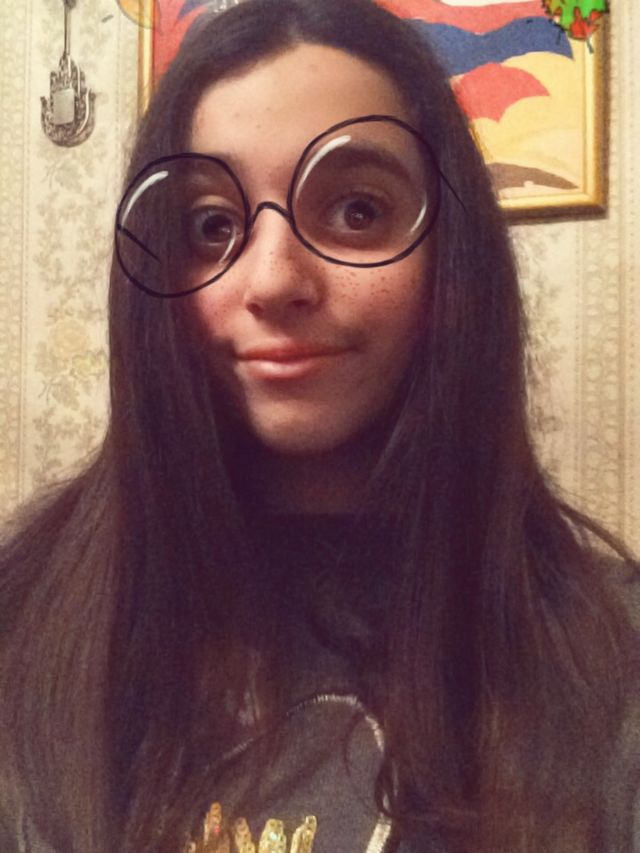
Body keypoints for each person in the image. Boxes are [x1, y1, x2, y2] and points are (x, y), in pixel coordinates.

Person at [0, 1, 638, 851]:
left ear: (453, 259)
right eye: (212, 225)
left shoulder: (610, 661)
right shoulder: (23, 619)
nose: (272, 280)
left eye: (358, 211)